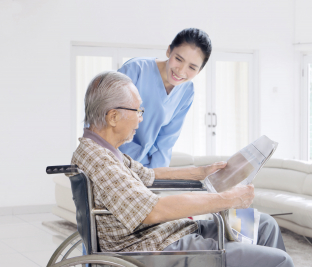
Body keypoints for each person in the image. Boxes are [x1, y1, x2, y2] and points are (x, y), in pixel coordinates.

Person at [70, 71, 294, 267]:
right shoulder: (100, 160)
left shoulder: (102, 150)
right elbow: (152, 211)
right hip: (153, 250)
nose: (140, 119)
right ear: (113, 116)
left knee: (265, 225)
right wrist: (229, 199)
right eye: (138, 110)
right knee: (280, 261)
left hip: (165, 234)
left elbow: (150, 175)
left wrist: (202, 172)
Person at [118, 28, 212, 168]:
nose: (180, 71)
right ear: (169, 51)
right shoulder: (135, 70)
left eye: (192, 67)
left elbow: (166, 140)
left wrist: (157, 178)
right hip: (113, 159)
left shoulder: (187, 91)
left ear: (199, 71)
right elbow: (102, 118)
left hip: (145, 167)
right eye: (178, 59)